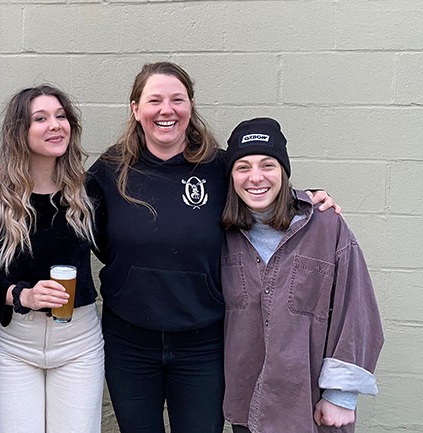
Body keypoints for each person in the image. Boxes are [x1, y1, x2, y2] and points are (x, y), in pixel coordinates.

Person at [86, 62, 339, 433]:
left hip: (204, 342)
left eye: (177, 99)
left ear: (190, 105)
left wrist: (310, 199)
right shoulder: (110, 169)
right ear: (135, 109)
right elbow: (75, 222)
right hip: (130, 340)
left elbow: (261, 196)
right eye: (154, 100)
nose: (166, 110)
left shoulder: (218, 166)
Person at [220, 118, 384, 433]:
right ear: (231, 177)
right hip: (246, 410)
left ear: (283, 171)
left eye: (268, 165)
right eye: (243, 167)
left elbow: (358, 310)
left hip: (312, 409)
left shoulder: (326, 227)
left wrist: (341, 396)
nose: (256, 178)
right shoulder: (221, 234)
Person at [0, 84, 104, 433]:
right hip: (15, 343)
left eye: (61, 116)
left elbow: (118, 249)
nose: (55, 125)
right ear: (20, 131)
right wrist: (22, 295)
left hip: (78, 342)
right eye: (41, 118)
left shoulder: (89, 191)